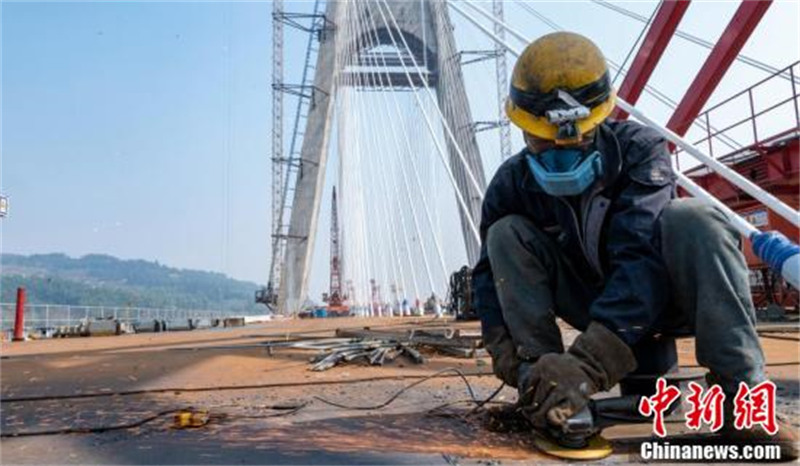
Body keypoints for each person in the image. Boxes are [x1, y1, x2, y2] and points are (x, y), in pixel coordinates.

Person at [472, 31, 795, 454]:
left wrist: (589, 363)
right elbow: (488, 278)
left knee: (696, 218)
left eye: (574, 140)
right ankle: (546, 389)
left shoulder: (640, 151)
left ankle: (742, 401)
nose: (559, 154)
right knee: (504, 234)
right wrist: (513, 363)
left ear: (600, 120)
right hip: (589, 302)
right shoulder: (511, 184)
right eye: (543, 140)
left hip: (663, 295)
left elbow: (640, 256)